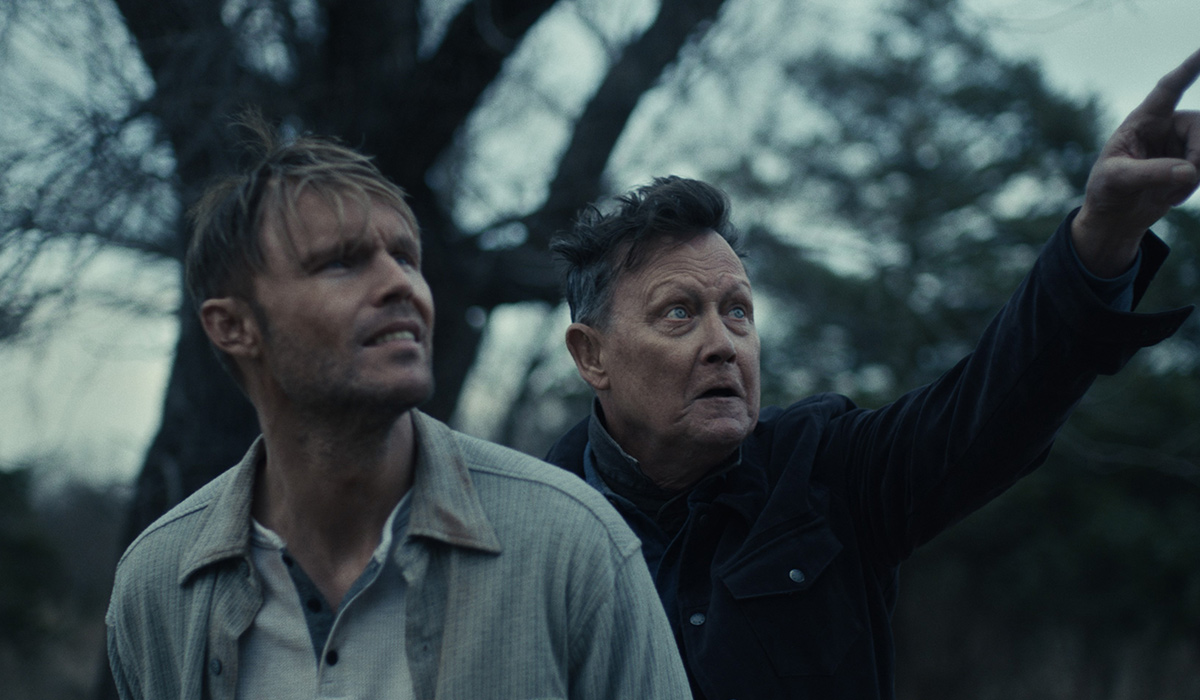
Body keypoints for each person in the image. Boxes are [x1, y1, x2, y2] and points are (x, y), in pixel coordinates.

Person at [545, 48, 1200, 699]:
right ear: (591, 355)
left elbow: (995, 404)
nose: (723, 345)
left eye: (738, 311)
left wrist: (1104, 235)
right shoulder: (533, 528)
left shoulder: (825, 473)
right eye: (679, 313)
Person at [104, 124, 690, 700]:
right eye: (341, 262)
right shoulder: (156, 585)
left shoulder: (571, 543)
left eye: (406, 258)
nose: (399, 284)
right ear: (234, 326)